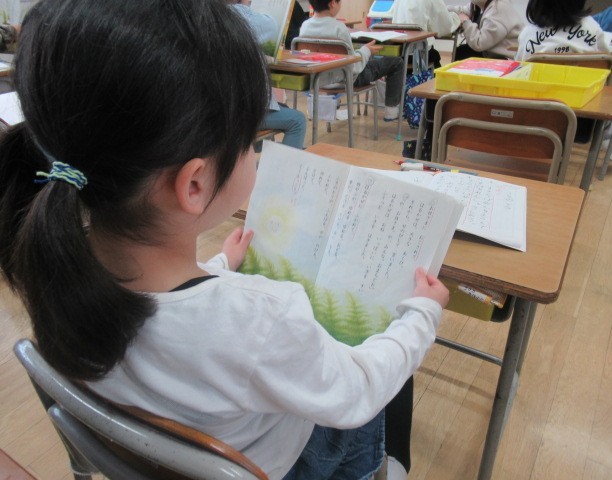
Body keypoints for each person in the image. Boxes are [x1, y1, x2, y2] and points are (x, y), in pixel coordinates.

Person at [0, 0, 449, 479]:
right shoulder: (263, 318)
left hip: (178, 456)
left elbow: (180, 320)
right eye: (250, 142)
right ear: (195, 184)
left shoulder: (56, 265)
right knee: (386, 355)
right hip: (279, 461)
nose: (254, 152)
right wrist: (422, 314)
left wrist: (218, 267)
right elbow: (355, 391)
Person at [300, 0, 406, 121]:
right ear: (332, 3)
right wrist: (366, 51)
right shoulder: (339, 28)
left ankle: (334, 107)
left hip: (318, 80)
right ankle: (391, 112)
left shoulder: (305, 26)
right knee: (396, 62)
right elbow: (354, 67)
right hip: (346, 79)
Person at [229, 0, 307, 149]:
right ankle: (281, 163)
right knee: (298, 121)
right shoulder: (242, 16)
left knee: (281, 107)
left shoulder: (204, 18)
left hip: (213, 109)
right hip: (239, 113)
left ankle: (260, 151)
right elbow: (272, 26)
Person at [515, 0, 612, 60]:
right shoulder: (591, 27)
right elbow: (606, 60)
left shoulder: (527, 33)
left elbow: (519, 68)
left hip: (538, 88)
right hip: (581, 87)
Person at [448, 0, 524, 60]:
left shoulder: (498, 8)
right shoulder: (479, 4)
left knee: (462, 55)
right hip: (490, 54)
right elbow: (461, 10)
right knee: (461, 51)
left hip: (506, 60)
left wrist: (465, 22)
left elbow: (479, 43)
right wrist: (442, 9)